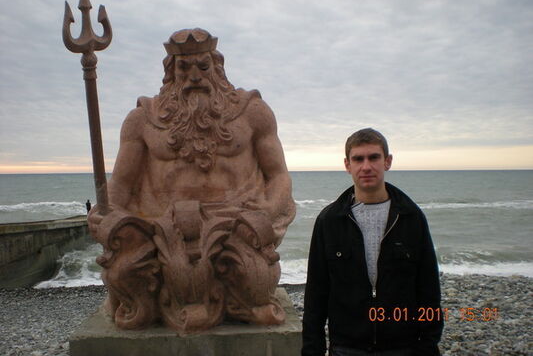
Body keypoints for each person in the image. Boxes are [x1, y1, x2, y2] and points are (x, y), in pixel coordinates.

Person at [88, 28, 295, 333]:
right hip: (163, 227)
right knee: (122, 275)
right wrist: (106, 211)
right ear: (171, 72)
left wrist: (267, 211)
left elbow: (278, 175)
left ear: (217, 68)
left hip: (236, 224)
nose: (195, 77)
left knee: (257, 285)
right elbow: (121, 184)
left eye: (203, 67)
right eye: (184, 68)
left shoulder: (252, 112)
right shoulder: (142, 119)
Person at [302, 128, 442, 356]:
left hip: (402, 347)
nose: (366, 166)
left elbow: (428, 289)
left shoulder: (411, 217)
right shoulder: (329, 221)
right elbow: (316, 294)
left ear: (387, 161)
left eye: (373, 157)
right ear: (347, 165)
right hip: (347, 347)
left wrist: (428, 345)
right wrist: (312, 350)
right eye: (358, 159)